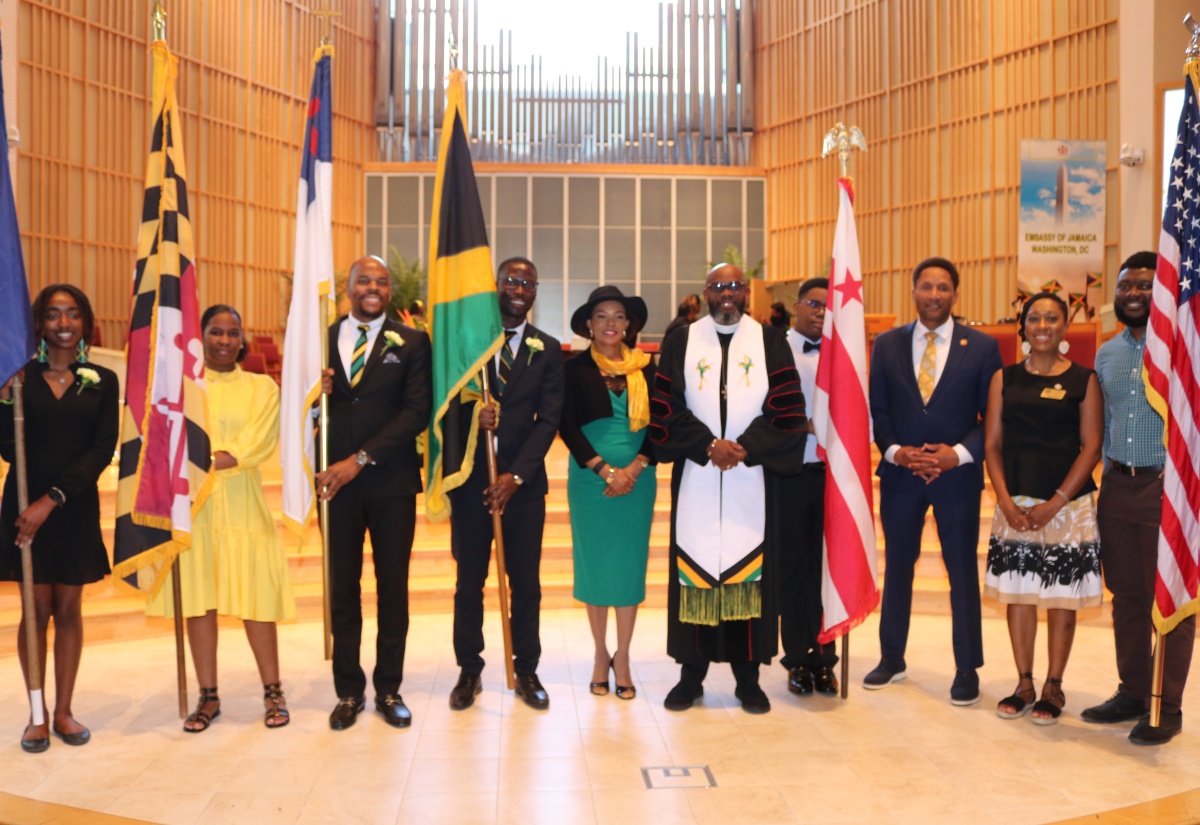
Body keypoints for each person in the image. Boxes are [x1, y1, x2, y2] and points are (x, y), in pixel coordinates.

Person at [650, 264, 807, 714]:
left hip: (750, 476)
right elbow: (666, 404)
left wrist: (744, 448)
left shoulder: (769, 340)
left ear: (745, 294)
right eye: (718, 287)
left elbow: (787, 405)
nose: (727, 295)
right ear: (705, 292)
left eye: (735, 287)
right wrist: (706, 445)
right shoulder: (682, 338)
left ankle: (748, 678)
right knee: (694, 568)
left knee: (749, 571)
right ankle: (690, 675)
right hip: (698, 473)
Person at [147, 305, 298, 732]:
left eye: (233, 333)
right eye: (216, 332)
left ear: (242, 340)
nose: (225, 341)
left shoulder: (261, 387)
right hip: (193, 508)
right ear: (202, 337)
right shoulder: (182, 388)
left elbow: (255, 442)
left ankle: (273, 691)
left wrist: (204, 461)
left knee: (257, 599)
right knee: (199, 599)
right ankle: (208, 696)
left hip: (243, 505)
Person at [865, 257, 1002, 704]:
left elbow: (992, 418)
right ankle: (891, 658)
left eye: (943, 288)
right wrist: (896, 452)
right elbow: (879, 411)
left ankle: (967, 669)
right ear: (913, 291)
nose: (934, 295)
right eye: (926, 287)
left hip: (956, 478)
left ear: (955, 295)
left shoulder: (981, 347)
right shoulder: (886, 345)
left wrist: (956, 454)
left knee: (961, 571)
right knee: (898, 567)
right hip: (901, 475)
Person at [1082, 251, 1195, 745]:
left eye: (1145, 286)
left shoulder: (1182, 351)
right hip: (1117, 487)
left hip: (1164, 488)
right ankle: (1132, 690)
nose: (1133, 294)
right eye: (1126, 285)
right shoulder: (1106, 353)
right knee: (1127, 597)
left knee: (1170, 598)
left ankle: (1165, 705)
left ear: (1164, 292)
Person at [0, 285, 118, 753]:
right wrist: (2, 401)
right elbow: (8, 448)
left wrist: (52, 499)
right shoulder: (17, 379)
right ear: (39, 325)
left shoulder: (103, 380)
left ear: (85, 323)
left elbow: (101, 450)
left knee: (68, 612)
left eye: (72, 314)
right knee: (35, 611)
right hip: (23, 507)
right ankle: (36, 714)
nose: (63, 323)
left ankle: (65, 711)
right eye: (53, 315)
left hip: (71, 507)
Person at [318, 255, 432, 731]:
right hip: (335, 489)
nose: (373, 288)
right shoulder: (319, 339)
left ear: (390, 292)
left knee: (393, 591)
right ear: (348, 288)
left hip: (391, 483)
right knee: (342, 591)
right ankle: (348, 691)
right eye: (364, 280)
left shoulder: (412, 342)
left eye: (381, 282)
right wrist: (312, 392)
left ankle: (388, 688)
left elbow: (415, 412)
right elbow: (298, 408)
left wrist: (358, 460)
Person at [447, 257, 564, 711]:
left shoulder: (547, 348)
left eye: (528, 282)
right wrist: (472, 417)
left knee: (526, 584)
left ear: (536, 291)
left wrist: (516, 476)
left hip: (523, 487)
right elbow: (444, 410)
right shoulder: (469, 345)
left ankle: (527, 668)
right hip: (471, 481)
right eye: (512, 280)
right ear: (496, 284)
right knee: (469, 582)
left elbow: (549, 417)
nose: (520, 288)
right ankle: (469, 669)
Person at [983, 292, 1103, 725]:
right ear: (1024, 325)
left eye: (1052, 318)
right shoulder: (1005, 378)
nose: (1043, 325)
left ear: (1065, 326)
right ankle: (1024, 683)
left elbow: (1091, 448)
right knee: (1019, 594)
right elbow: (992, 444)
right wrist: (1004, 499)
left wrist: (1056, 502)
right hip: (1015, 502)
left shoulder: (1084, 379)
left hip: (1067, 506)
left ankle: (1054, 685)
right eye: (1034, 317)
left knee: (1061, 598)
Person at [561, 286, 657, 700]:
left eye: (619, 316)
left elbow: (662, 425)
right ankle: (601, 655)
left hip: (638, 482)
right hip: (590, 481)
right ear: (588, 324)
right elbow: (564, 425)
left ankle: (625, 657)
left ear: (629, 324)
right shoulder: (573, 368)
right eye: (601, 316)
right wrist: (604, 470)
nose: (610, 324)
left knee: (628, 569)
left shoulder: (648, 369)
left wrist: (633, 468)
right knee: (596, 567)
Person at [779, 278, 838, 696]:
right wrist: (804, 428)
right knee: (795, 571)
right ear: (796, 307)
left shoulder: (845, 354)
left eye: (828, 306)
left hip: (833, 476)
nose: (820, 312)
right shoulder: (772, 350)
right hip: (789, 474)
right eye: (814, 304)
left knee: (828, 572)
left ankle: (826, 659)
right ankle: (797, 658)